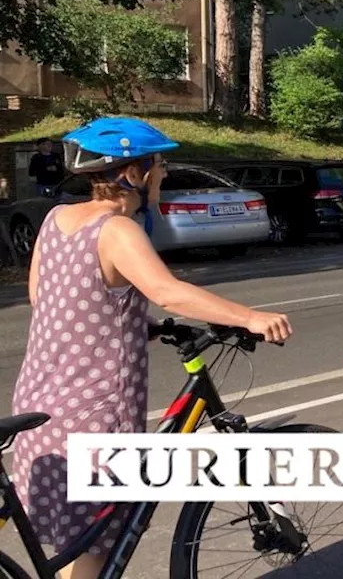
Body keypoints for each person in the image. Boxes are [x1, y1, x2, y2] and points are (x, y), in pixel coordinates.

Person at [11, 118, 292, 579]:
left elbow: (47, 298)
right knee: (97, 548)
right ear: (134, 173)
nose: (163, 174)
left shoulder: (56, 219)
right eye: (159, 165)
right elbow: (168, 291)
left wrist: (137, 324)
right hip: (94, 413)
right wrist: (250, 317)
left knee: (71, 544)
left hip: (39, 403)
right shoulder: (118, 231)